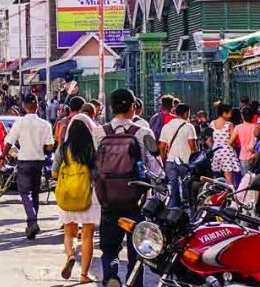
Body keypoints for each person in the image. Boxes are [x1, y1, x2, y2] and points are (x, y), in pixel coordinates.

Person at [98, 89, 161, 287]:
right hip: (136, 200)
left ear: (110, 107)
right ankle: (134, 283)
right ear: (134, 107)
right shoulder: (143, 132)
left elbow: (94, 165)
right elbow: (156, 168)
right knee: (137, 249)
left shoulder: (100, 132)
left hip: (108, 199)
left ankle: (111, 276)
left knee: (109, 248)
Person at [1, 94, 54, 239]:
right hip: (39, 162)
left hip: (24, 161)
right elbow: (49, 147)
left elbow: (9, 142)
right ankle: (31, 223)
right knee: (35, 194)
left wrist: (2, 157)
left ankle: (32, 221)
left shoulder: (20, 123)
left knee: (25, 193)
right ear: (37, 106)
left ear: (24, 106)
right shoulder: (45, 124)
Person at [53, 116, 99, 283]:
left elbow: (54, 173)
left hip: (67, 195)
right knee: (87, 236)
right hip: (88, 196)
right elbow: (96, 173)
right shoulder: (92, 149)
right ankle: (83, 275)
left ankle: (71, 255)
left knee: (68, 232)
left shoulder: (63, 149)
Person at [159, 103, 197, 207]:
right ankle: (188, 208)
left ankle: (173, 209)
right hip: (185, 162)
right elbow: (193, 148)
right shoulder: (189, 127)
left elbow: (162, 146)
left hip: (170, 161)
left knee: (173, 186)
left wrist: (163, 161)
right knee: (187, 187)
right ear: (186, 113)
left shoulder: (166, 126)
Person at [211, 103, 242, 185]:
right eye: (229, 112)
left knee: (218, 178)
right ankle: (231, 196)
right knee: (229, 179)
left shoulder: (212, 124)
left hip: (216, 152)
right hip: (227, 152)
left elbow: (209, 140)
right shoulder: (229, 125)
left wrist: (214, 147)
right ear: (224, 113)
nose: (231, 114)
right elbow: (232, 140)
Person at [236, 106, 258, 173]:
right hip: (255, 155)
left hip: (243, 156)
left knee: (246, 178)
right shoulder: (256, 127)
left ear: (242, 116)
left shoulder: (238, 127)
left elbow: (231, 141)